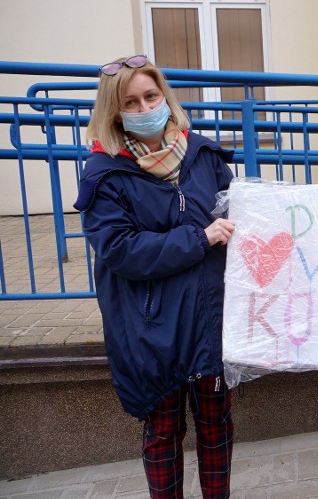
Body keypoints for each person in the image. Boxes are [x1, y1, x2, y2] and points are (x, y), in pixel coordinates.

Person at [73, 55, 237, 498]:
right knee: (164, 432)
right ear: (114, 112)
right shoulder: (104, 173)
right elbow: (119, 249)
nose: (146, 108)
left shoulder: (203, 155)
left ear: (165, 96)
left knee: (215, 424)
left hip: (209, 318)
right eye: (131, 102)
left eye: (151, 96)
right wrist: (198, 240)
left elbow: (235, 216)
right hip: (152, 329)